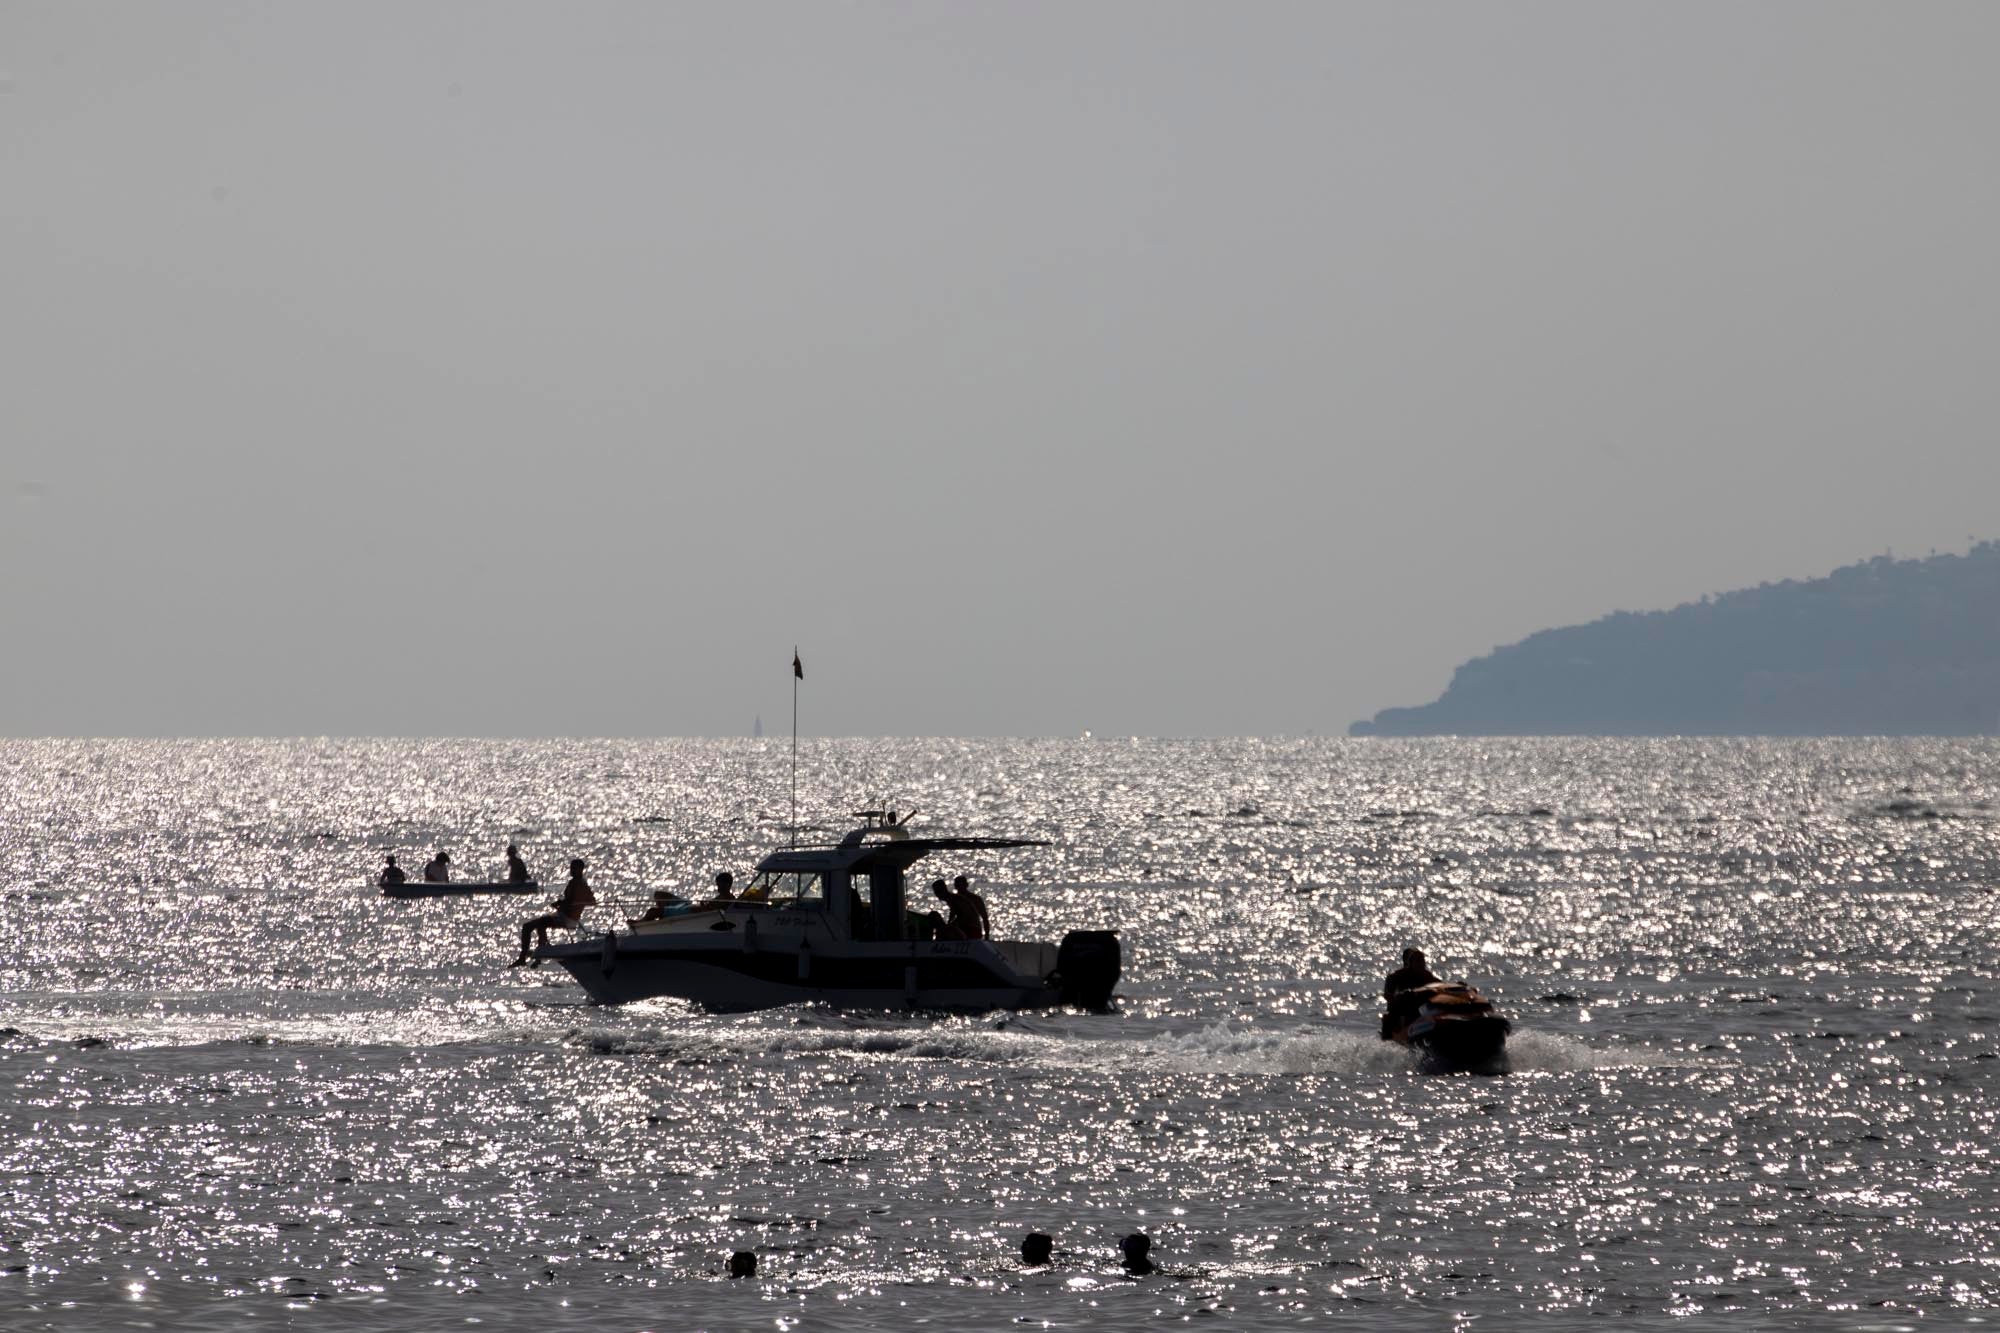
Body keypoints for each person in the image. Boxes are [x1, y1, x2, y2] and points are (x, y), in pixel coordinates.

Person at [512, 859, 596, 966]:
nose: (571, 870)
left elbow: (572, 901)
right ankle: (539, 953)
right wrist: (563, 903)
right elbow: (591, 901)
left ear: (580, 869)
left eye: (573, 868)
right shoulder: (582, 883)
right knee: (541, 923)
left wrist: (564, 904)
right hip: (569, 918)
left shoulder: (577, 884)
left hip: (566, 918)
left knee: (528, 926)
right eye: (571, 867)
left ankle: (526, 957)